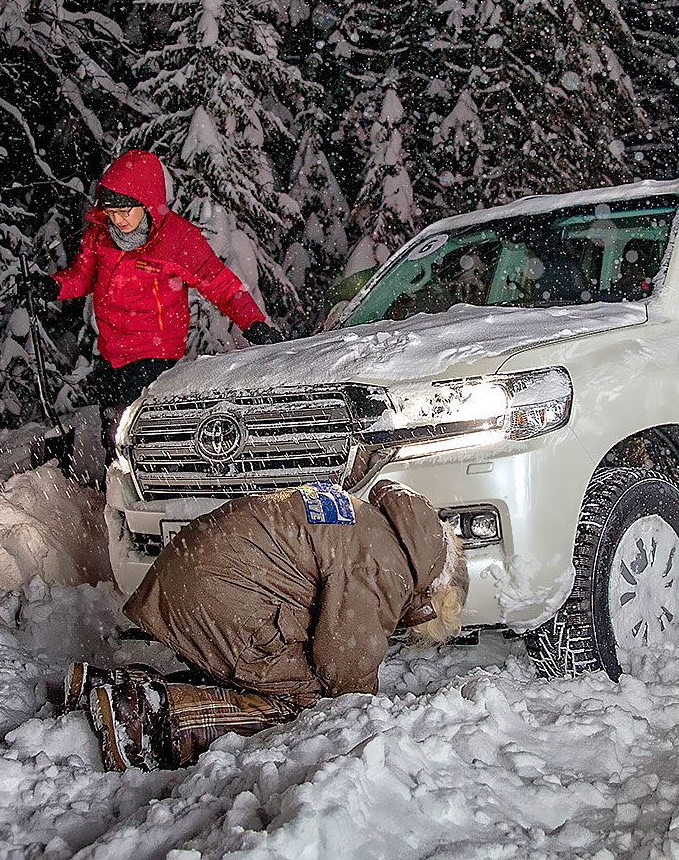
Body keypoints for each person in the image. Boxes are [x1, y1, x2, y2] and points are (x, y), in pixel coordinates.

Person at [65, 481, 468, 771]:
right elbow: (343, 661)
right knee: (304, 698)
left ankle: (107, 687)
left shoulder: (369, 523)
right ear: (435, 591)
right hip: (219, 591)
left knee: (267, 673)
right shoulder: (387, 565)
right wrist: (366, 714)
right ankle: (147, 720)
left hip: (197, 569)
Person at [26, 149, 285, 421]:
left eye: (125, 210)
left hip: (154, 355)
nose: (118, 220)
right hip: (110, 351)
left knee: (140, 431)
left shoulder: (177, 239)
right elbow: (83, 275)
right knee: (112, 432)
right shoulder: (100, 234)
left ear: (147, 202)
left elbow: (219, 284)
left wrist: (253, 323)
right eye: (112, 212)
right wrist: (52, 287)